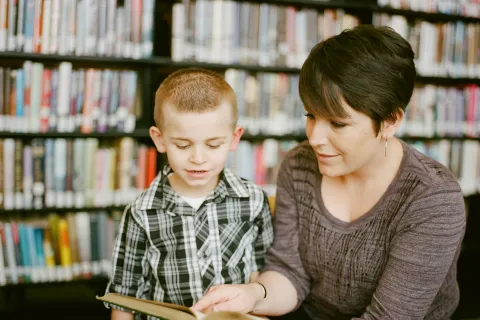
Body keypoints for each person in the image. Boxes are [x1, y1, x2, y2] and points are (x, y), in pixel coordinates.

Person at [191, 25, 467, 320]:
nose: (314, 138)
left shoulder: (432, 198)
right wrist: (252, 295)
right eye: (310, 115)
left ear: (390, 121)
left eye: (337, 124)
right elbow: (289, 273)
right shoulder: (299, 165)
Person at [104, 68, 274, 320]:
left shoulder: (253, 200)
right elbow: (124, 296)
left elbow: (261, 274)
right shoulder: (141, 213)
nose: (198, 158)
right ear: (159, 139)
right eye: (183, 145)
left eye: (213, 144)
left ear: (234, 138)